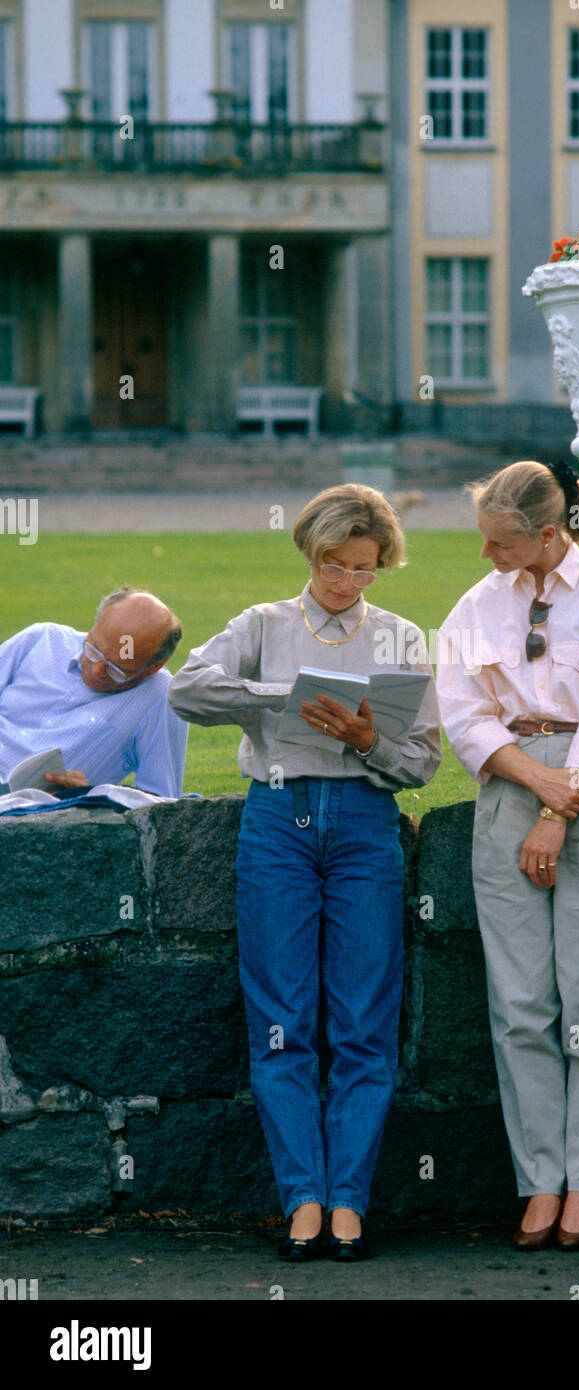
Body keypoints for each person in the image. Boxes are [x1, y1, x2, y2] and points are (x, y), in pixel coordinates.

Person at [167, 484, 441, 1262]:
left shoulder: (395, 638)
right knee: (283, 1018)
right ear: (310, 552)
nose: (349, 582)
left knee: (363, 1019)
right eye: (335, 564)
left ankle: (349, 1199)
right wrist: (276, 697)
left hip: (362, 824)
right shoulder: (263, 626)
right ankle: (304, 1200)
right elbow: (186, 689)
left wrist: (365, 740)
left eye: (366, 568)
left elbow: (421, 759)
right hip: (277, 825)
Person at [436, 459, 579, 1252]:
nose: (487, 556)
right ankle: (540, 1182)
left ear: (549, 534)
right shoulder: (476, 604)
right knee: (521, 1004)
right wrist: (536, 789)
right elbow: (462, 714)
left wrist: (561, 809)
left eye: (499, 543)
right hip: (509, 793)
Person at [0, 587, 187, 798]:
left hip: (22, 811)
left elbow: (161, 802)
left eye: (118, 670)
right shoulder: (41, 640)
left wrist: (87, 795)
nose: (97, 672)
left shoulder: (159, 697)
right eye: (94, 650)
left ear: (155, 666)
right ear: (94, 626)